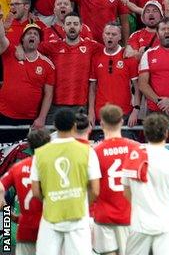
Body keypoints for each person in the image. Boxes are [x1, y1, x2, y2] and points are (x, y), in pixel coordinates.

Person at [29, 107, 101, 255]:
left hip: (51, 217)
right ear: (74, 125)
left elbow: (36, 191)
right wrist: (82, 203)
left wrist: (52, 201)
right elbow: (95, 190)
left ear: (54, 126)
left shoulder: (40, 153)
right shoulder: (88, 151)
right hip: (78, 216)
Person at [124, 113, 169, 255]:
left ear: (145, 133)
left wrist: (140, 206)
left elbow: (126, 191)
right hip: (165, 223)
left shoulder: (133, 156)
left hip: (139, 223)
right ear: (166, 133)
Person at [92, 104, 141, 255]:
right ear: (121, 122)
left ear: (101, 124)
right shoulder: (136, 148)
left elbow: (92, 187)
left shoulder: (95, 152)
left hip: (103, 215)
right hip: (129, 214)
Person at [0, 128, 50, 255]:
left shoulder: (18, 168)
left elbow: (3, 193)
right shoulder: (54, 167)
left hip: (22, 230)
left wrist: (9, 214)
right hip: (48, 230)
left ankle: (6, 244)